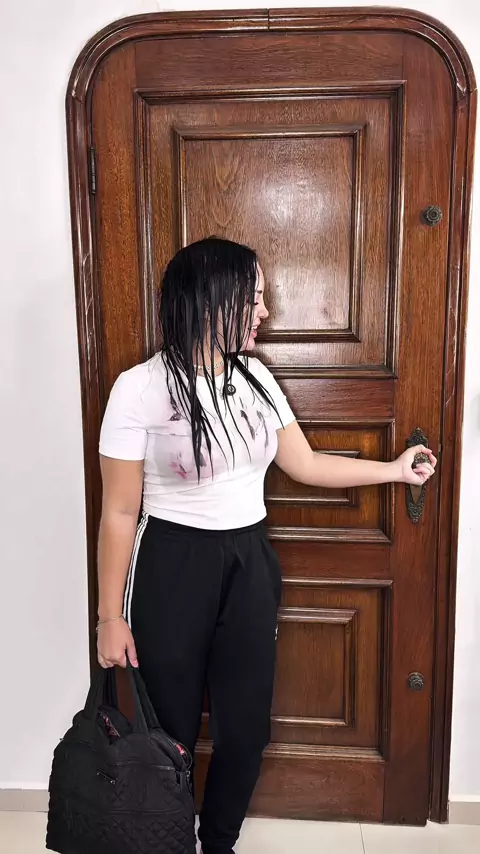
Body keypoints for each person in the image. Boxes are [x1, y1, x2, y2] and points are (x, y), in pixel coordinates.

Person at [96, 237, 436, 854]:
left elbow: (305, 464)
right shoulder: (139, 388)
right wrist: (109, 617)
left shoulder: (255, 379)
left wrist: (392, 470)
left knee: (246, 730)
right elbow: (119, 512)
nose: (264, 312)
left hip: (249, 563)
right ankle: (169, 842)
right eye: (253, 298)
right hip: (171, 566)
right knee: (168, 734)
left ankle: (217, 844)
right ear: (211, 299)